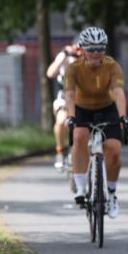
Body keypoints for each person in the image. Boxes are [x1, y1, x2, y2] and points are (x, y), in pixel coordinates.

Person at [64, 26, 128, 218]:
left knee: (114, 150)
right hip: (81, 108)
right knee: (79, 136)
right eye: (91, 49)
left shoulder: (112, 66)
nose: (96, 53)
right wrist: (71, 117)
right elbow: (69, 94)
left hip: (106, 109)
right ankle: (80, 187)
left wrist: (122, 116)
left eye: (100, 49)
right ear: (82, 50)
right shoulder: (73, 68)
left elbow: (118, 92)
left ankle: (111, 193)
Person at [47, 43, 81, 171]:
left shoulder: (91, 57)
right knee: (61, 121)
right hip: (64, 97)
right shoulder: (66, 57)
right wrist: (64, 54)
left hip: (84, 98)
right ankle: (60, 151)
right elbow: (50, 73)